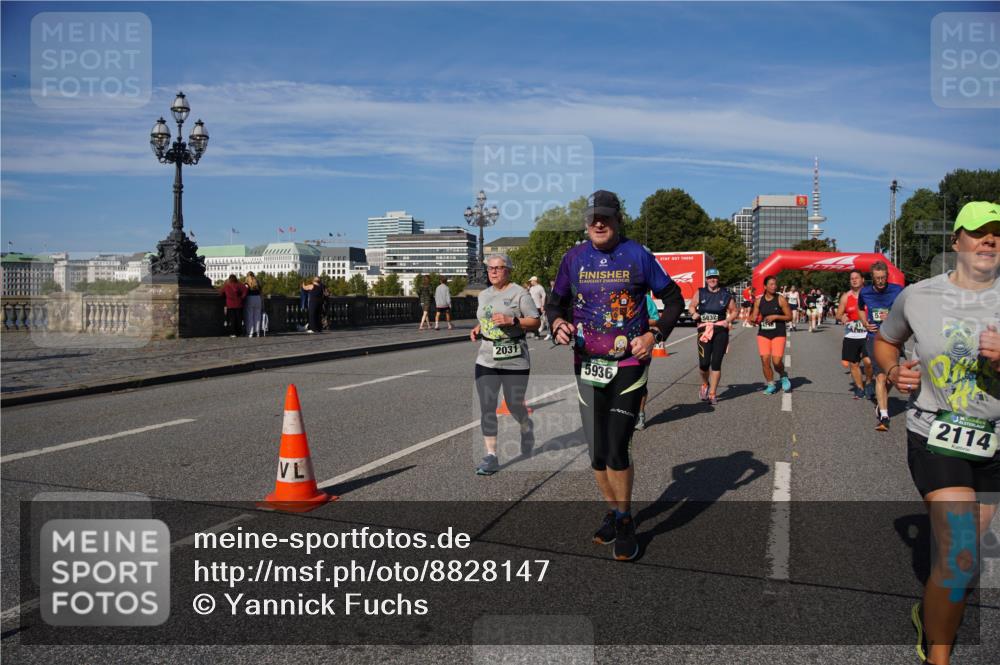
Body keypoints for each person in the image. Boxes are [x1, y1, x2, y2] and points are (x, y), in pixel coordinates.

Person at [873, 201, 1000, 665]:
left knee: (964, 558)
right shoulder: (919, 296)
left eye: (997, 233)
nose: (989, 240)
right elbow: (885, 341)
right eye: (979, 231)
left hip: (993, 439)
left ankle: (930, 615)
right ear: (957, 240)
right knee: (961, 552)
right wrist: (894, 371)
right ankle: (938, 656)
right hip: (935, 433)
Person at [546, 190, 684, 561]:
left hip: (627, 366)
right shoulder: (573, 258)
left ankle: (625, 521)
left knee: (616, 448)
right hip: (587, 365)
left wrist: (653, 335)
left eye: (605, 217)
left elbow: (674, 299)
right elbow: (554, 302)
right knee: (596, 454)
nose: (598, 223)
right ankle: (614, 510)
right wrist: (557, 322)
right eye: (592, 218)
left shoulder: (637, 254)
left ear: (617, 220)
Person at [471, 254, 540, 475]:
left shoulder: (520, 294)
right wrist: (478, 328)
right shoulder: (484, 295)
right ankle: (491, 455)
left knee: (513, 404)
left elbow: (535, 321)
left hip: (515, 360)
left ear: (508, 270)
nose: (493, 272)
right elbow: (485, 317)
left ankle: (525, 425)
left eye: (498, 268)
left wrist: (513, 321)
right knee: (487, 406)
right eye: (490, 268)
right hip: (486, 358)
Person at [858, 260, 905, 431]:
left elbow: (906, 309)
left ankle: (881, 400)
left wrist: (893, 317)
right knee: (881, 376)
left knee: (891, 376)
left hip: (893, 337)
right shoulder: (865, 292)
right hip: (874, 337)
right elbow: (860, 308)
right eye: (877, 278)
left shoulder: (897, 290)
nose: (880, 281)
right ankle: (884, 416)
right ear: (872, 277)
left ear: (887, 276)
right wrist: (864, 323)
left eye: (883, 277)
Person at [690, 267, 738, 405]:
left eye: (715, 277)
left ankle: (712, 393)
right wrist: (694, 313)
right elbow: (692, 306)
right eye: (710, 278)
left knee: (716, 363)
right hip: (704, 331)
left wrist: (727, 321)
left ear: (718, 279)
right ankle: (705, 384)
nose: (712, 280)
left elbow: (734, 311)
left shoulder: (725, 294)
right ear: (706, 279)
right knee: (704, 364)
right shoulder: (701, 292)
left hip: (720, 331)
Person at [751, 275, 792, 394]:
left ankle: (783, 375)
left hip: (778, 333)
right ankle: (770, 384)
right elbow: (753, 317)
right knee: (765, 360)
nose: (774, 287)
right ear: (765, 287)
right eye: (771, 284)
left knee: (776, 362)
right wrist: (752, 320)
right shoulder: (759, 301)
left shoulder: (781, 299)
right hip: (763, 334)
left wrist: (776, 316)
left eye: (775, 284)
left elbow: (789, 317)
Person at [836, 270, 874, 399]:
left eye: (856, 278)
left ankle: (868, 383)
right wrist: (842, 317)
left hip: (868, 334)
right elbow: (838, 314)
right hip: (851, 335)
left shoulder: (870, 294)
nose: (854, 280)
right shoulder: (846, 297)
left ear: (862, 280)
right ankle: (859, 387)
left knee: (868, 362)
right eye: (852, 278)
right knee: (854, 364)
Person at [634, 292, 661, 430]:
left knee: (640, 383)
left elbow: (656, 319)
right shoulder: (614, 295)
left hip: (641, 346)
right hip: (618, 347)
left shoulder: (645, 298)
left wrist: (636, 320)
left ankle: (640, 415)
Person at [243, 272, 263, 338]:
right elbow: (261, 292)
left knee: (250, 316)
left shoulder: (246, 284)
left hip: (250, 298)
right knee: (258, 317)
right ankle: (257, 332)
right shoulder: (257, 282)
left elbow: (244, 292)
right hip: (258, 298)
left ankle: (250, 333)